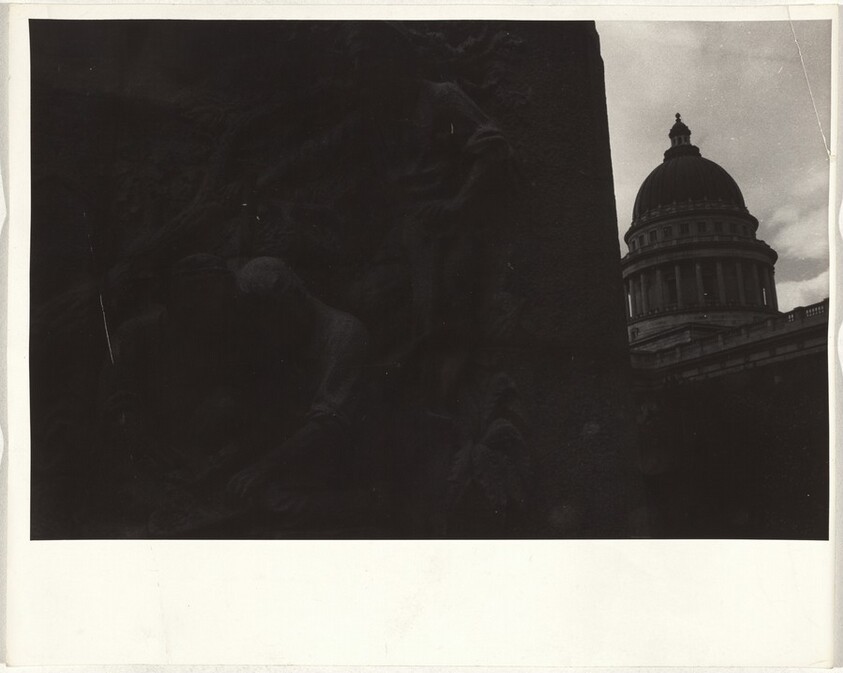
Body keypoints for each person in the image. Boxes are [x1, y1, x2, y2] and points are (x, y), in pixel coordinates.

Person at [99, 254, 369, 535]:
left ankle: (367, 504)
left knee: (269, 503)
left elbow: (326, 423)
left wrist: (260, 465)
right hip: (278, 452)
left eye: (275, 314)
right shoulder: (138, 335)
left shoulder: (344, 334)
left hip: (334, 451)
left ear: (297, 297)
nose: (268, 324)